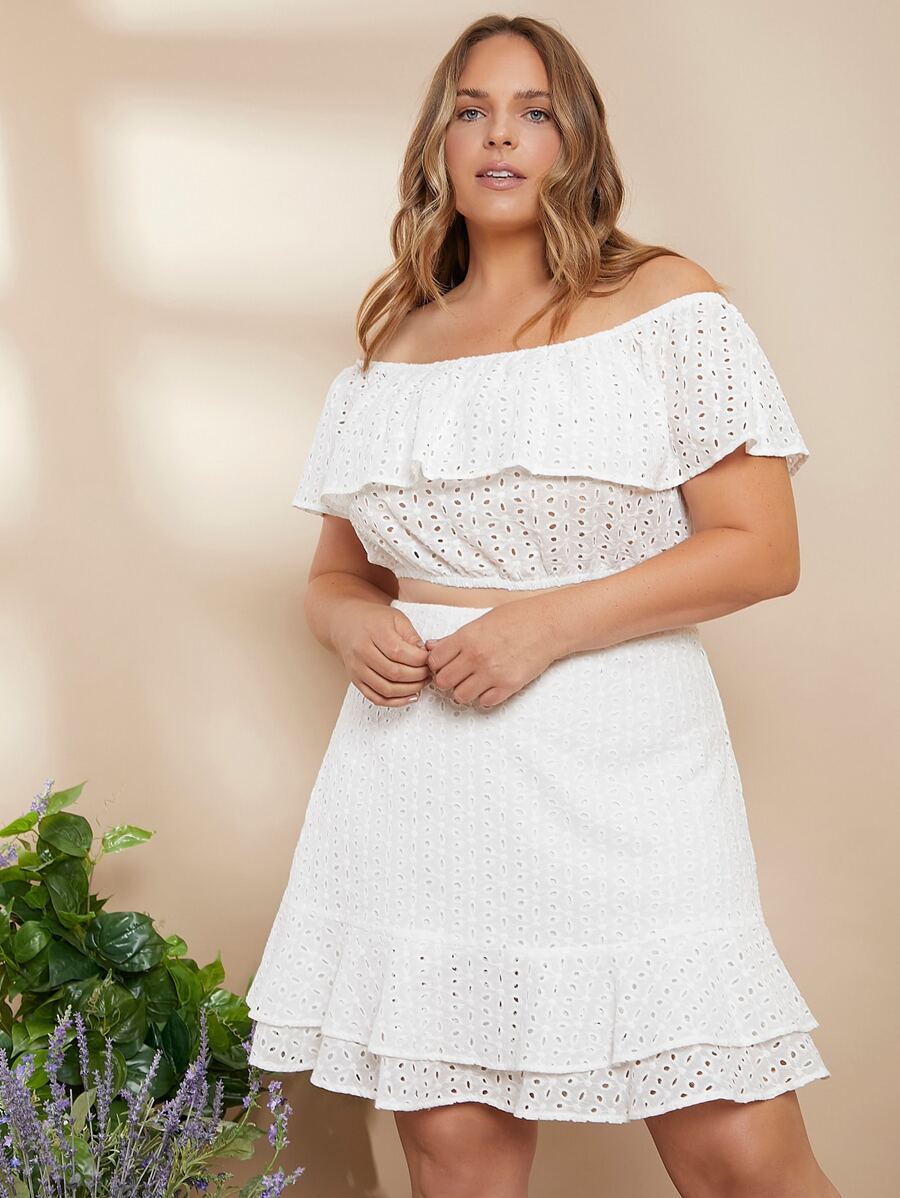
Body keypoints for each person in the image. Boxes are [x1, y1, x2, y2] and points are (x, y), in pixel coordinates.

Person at [246, 14, 841, 1198]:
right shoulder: (391, 342)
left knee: (738, 1153)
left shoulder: (670, 304)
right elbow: (337, 574)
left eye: (534, 111)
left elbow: (761, 549)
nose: (500, 136)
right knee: (453, 1152)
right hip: (416, 782)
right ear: (438, 143)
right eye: (471, 111)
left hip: (621, 767)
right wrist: (351, 623)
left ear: (577, 140)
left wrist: (544, 623)